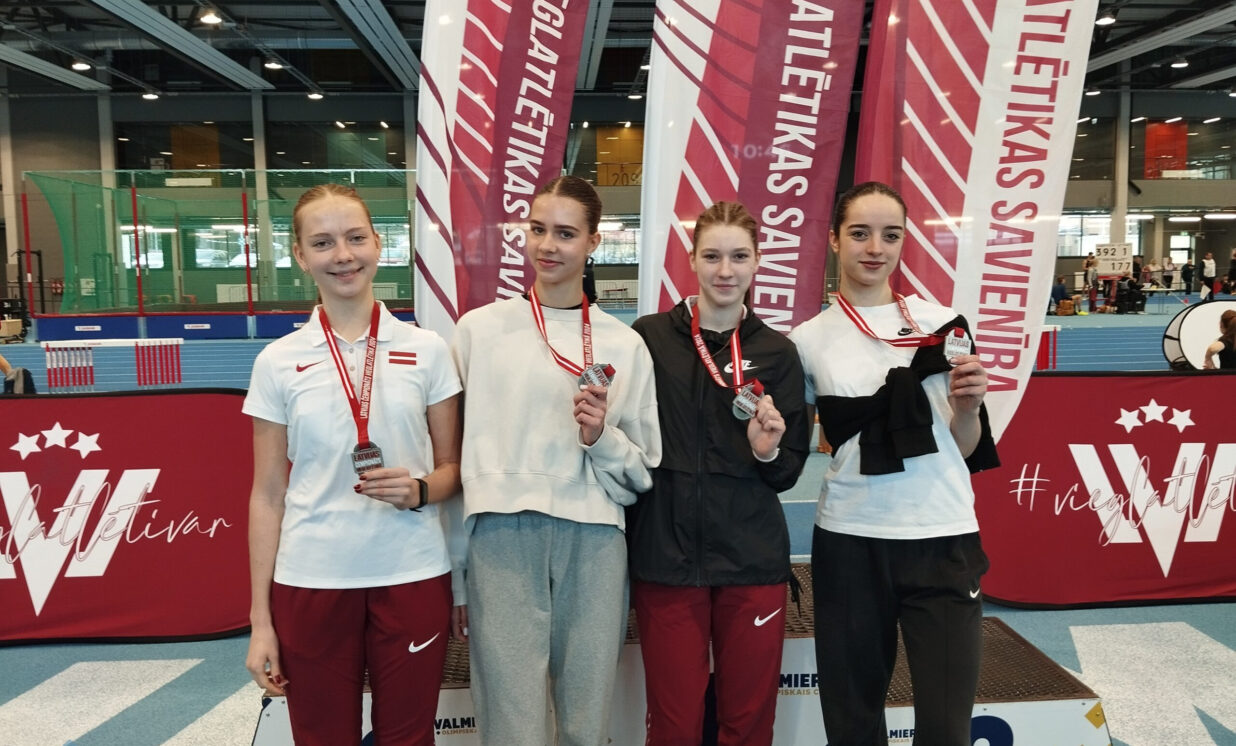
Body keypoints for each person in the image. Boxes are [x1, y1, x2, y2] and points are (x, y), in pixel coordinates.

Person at [243, 184, 464, 746]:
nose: (342, 255)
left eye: (355, 238)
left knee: (408, 738)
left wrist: (419, 489)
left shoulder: (428, 350)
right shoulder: (277, 361)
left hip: (411, 574)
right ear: (300, 256)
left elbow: (453, 469)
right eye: (323, 243)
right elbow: (267, 494)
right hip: (311, 579)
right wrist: (261, 621)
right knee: (322, 737)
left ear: (378, 245)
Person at [450, 174, 661, 746]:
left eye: (566, 234)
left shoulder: (624, 344)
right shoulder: (478, 332)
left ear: (593, 242)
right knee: (511, 722)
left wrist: (599, 437)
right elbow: (450, 457)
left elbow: (641, 473)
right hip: (500, 536)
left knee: (586, 720)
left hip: (594, 540)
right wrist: (457, 575)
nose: (547, 245)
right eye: (537, 229)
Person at [790, 181, 999, 745]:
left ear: (904, 241)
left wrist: (968, 409)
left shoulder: (945, 325)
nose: (874, 248)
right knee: (853, 724)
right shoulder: (807, 341)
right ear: (835, 240)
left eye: (890, 235)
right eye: (859, 233)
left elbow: (967, 446)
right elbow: (794, 445)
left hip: (942, 537)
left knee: (947, 729)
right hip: (851, 542)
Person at [627, 201, 809, 745]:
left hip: (752, 562)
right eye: (712, 256)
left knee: (748, 723)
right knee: (674, 725)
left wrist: (767, 452)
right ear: (691, 260)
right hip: (666, 557)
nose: (725, 271)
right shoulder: (649, 338)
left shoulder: (778, 352)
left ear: (757, 262)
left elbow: (789, 470)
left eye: (738, 257)